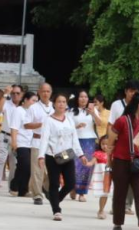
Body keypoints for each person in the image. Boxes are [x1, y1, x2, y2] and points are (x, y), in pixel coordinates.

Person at [37, 92, 91, 221]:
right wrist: (41, 156)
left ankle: (55, 199)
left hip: (67, 154)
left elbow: (74, 139)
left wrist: (81, 155)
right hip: (52, 156)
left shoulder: (69, 120)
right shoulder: (48, 120)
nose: (61, 104)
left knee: (71, 183)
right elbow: (44, 139)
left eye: (63, 102)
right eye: (59, 102)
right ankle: (56, 209)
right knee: (54, 183)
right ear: (54, 104)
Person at [109, 92, 139, 230]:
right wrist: (109, 159)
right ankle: (117, 223)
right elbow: (111, 141)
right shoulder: (121, 121)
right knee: (120, 193)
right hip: (120, 161)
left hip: (138, 163)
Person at [23, 82, 53, 206]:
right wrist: (41, 124)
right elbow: (26, 124)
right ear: (39, 92)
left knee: (51, 169)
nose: (45, 94)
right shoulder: (33, 108)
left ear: (51, 93)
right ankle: (37, 195)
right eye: (43, 91)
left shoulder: (54, 107)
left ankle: (47, 188)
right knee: (37, 169)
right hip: (37, 141)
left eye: (48, 91)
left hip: (52, 142)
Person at [0, 84, 23, 191]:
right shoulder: (7, 104)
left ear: (22, 94)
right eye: (13, 93)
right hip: (4, 135)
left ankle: (12, 186)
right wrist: (5, 94)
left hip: (17, 137)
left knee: (14, 163)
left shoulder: (24, 108)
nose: (15, 95)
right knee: (1, 159)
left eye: (18, 93)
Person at [70, 90, 99, 202]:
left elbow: (100, 123)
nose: (83, 99)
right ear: (77, 98)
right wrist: (77, 126)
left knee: (86, 166)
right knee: (75, 167)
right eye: (81, 96)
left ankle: (82, 193)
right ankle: (73, 187)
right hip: (76, 140)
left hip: (89, 140)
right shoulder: (71, 111)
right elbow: (68, 126)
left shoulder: (92, 110)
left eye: (85, 97)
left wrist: (92, 113)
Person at [9, 91, 37, 197]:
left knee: (28, 167)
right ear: (25, 99)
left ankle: (23, 190)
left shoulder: (33, 112)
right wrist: (14, 142)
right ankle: (14, 185)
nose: (35, 103)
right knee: (24, 165)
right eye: (33, 100)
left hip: (32, 142)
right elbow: (14, 127)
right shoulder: (19, 111)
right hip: (21, 142)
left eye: (36, 101)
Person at [92, 149, 111, 220]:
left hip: (111, 174)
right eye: (103, 144)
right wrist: (88, 163)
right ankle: (101, 210)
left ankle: (104, 209)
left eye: (106, 144)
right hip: (101, 176)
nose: (105, 146)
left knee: (108, 193)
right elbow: (92, 162)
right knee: (104, 193)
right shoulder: (98, 153)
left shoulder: (113, 153)